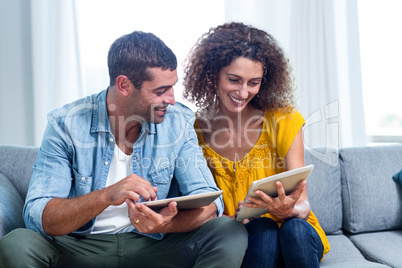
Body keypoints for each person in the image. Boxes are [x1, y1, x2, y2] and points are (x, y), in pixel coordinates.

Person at [0, 31, 248, 267]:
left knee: (229, 232)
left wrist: (164, 225)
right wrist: (106, 195)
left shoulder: (177, 122)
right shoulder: (67, 124)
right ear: (124, 85)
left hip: (153, 245)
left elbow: (209, 201)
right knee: (18, 244)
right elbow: (38, 215)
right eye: (160, 91)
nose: (171, 99)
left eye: (172, 87)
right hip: (79, 247)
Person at [183, 22, 330, 268]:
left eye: (254, 82)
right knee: (262, 228)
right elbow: (199, 207)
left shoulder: (284, 120)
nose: (243, 92)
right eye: (234, 80)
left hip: (297, 236)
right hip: (243, 238)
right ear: (212, 75)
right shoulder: (194, 130)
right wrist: (232, 219)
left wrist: (289, 210)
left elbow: (303, 205)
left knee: (293, 229)